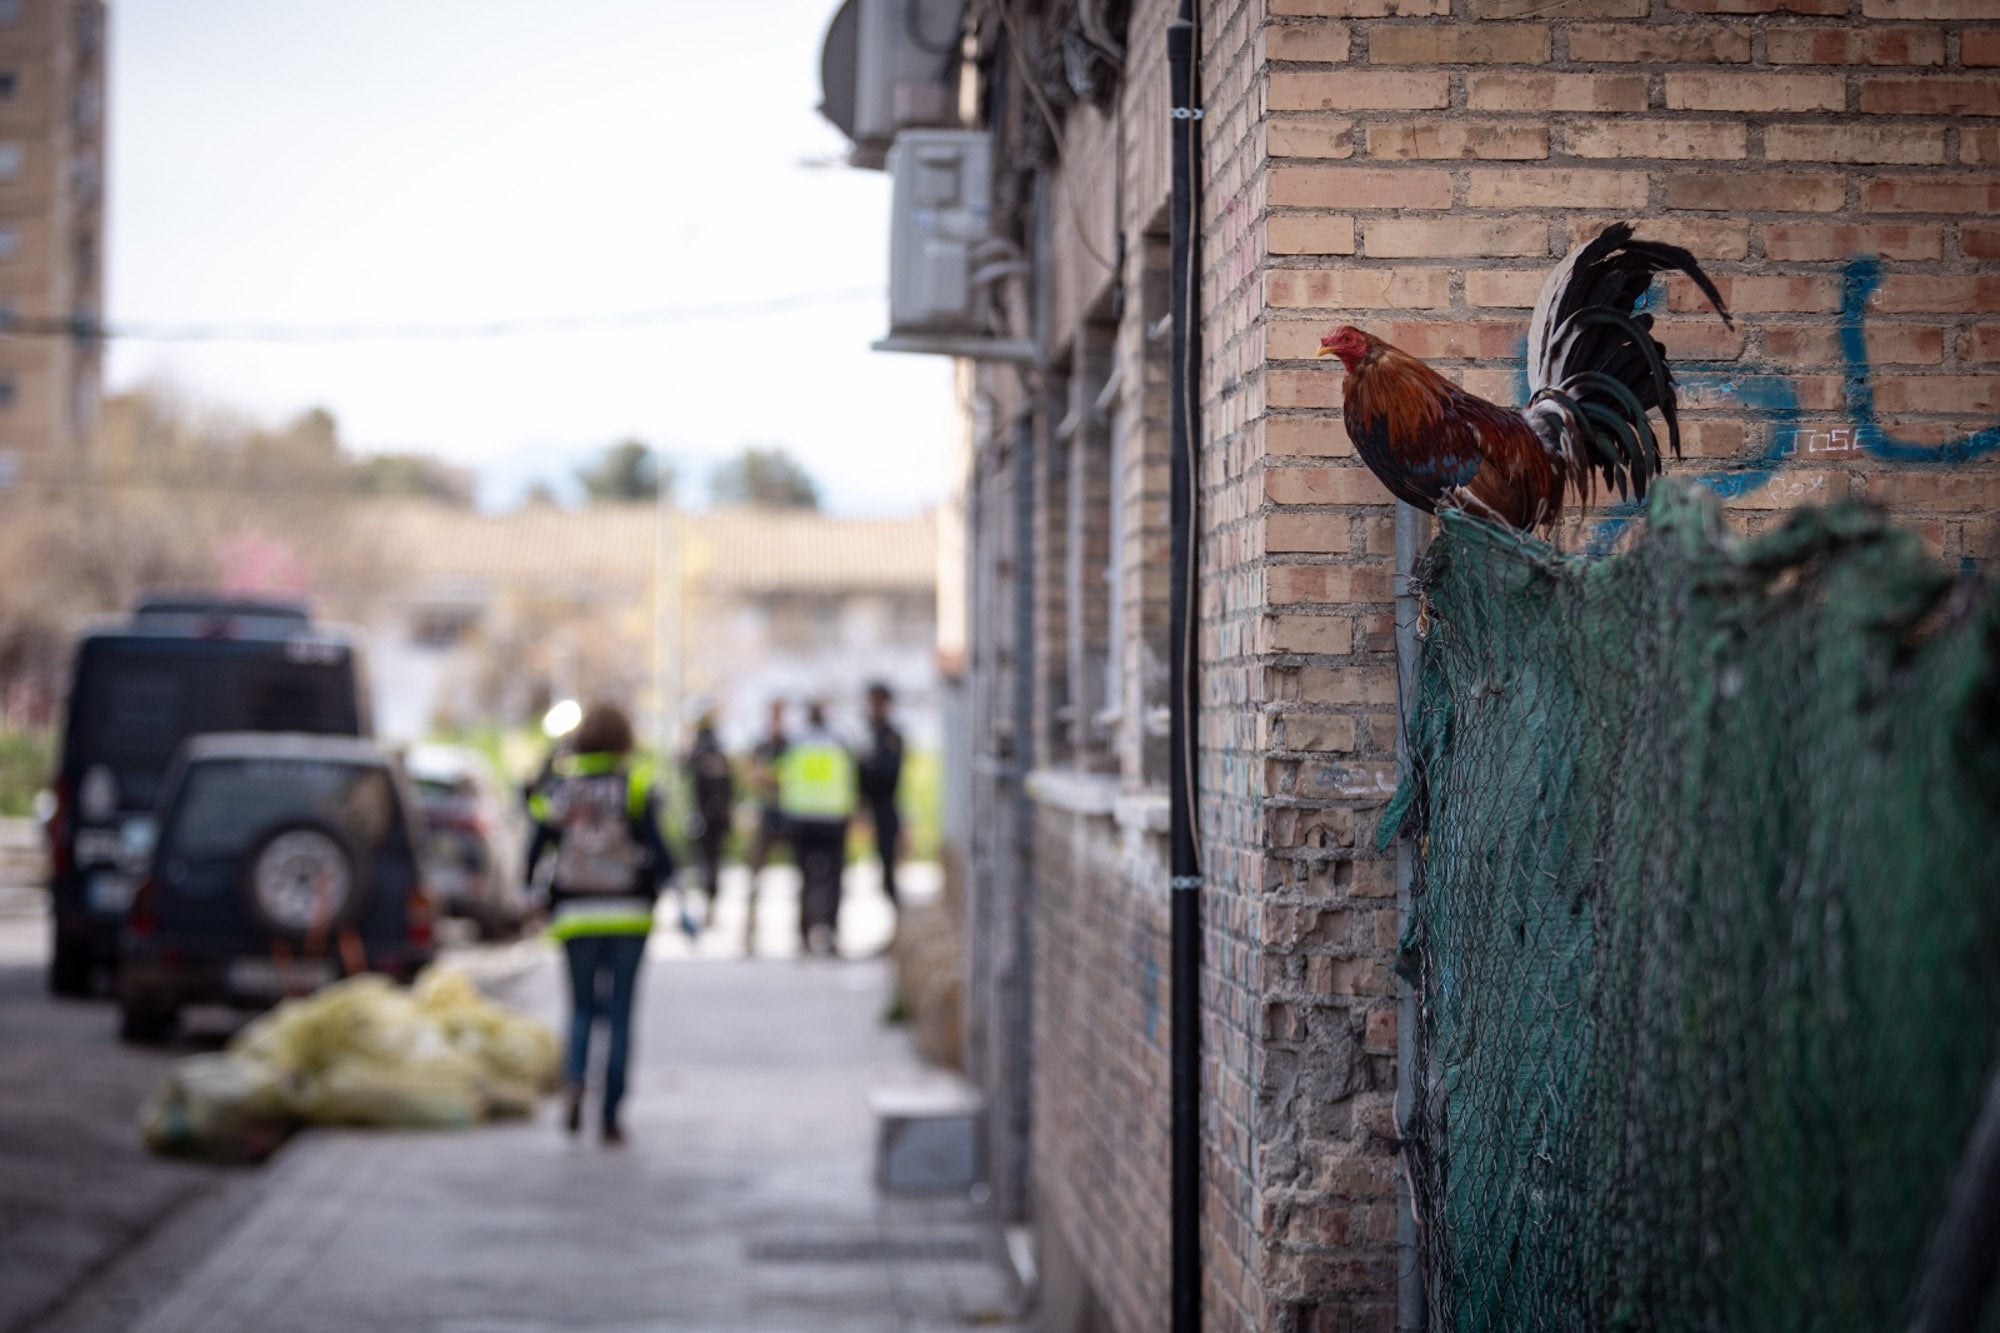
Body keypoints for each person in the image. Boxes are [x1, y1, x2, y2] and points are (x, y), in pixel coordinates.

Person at [525, 701, 674, 1146]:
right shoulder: (635, 785)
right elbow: (661, 852)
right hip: (629, 916)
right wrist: (667, 887)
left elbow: (537, 842)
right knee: (621, 1014)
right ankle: (610, 1116)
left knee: (581, 1008)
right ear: (625, 741)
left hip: (575, 915)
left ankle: (574, 1078)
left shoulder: (561, 788)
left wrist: (531, 894)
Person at [777, 700, 856, 957]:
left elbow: (783, 778)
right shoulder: (838, 743)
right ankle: (830, 932)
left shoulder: (796, 744)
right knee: (833, 879)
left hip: (802, 818)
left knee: (804, 878)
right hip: (833, 818)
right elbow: (849, 779)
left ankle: (803, 933)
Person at [742, 699, 789, 955]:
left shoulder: (792, 745)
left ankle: (800, 933)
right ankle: (749, 933)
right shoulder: (760, 745)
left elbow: (789, 778)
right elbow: (752, 775)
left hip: (790, 815)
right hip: (765, 816)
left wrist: (770, 778)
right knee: (754, 876)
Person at [681, 711, 734, 928]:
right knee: (709, 863)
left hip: (705, 816)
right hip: (712, 816)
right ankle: (708, 904)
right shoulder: (715, 753)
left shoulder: (702, 753)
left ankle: (708, 903)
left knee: (705, 863)